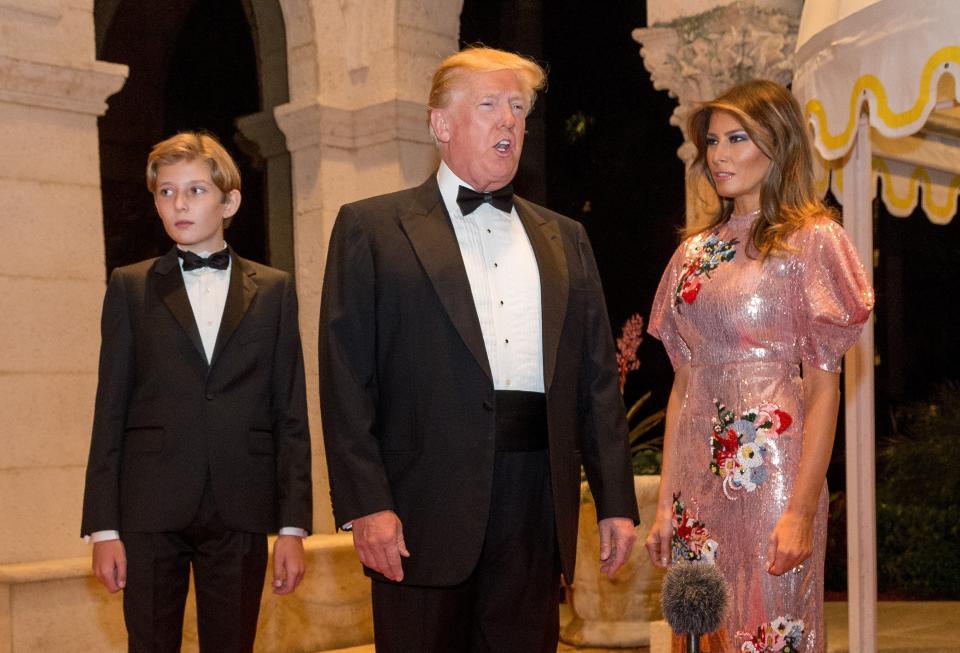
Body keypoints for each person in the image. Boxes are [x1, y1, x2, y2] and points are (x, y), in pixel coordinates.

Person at [319, 46, 639, 652]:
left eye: (517, 108)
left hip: (534, 503)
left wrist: (615, 502)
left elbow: (596, 381)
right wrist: (367, 505)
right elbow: (345, 379)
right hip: (420, 505)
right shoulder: (372, 227)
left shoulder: (564, 238)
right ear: (441, 124)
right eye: (489, 104)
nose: (509, 121)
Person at [645, 80, 874, 653]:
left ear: (779, 144)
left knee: (770, 631)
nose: (717, 155)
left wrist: (800, 509)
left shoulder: (814, 241)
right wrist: (664, 506)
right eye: (713, 141)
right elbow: (683, 387)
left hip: (773, 474)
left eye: (736, 138)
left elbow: (824, 390)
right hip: (695, 484)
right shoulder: (692, 254)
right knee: (701, 635)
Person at [81, 131, 313, 653]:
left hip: (242, 504)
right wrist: (103, 529)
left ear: (229, 200)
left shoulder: (274, 290)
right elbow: (109, 410)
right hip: (148, 508)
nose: (179, 203)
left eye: (195, 190)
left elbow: (290, 412)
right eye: (166, 192)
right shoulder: (130, 286)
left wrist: (294, 527)